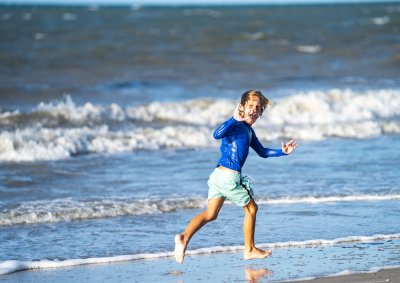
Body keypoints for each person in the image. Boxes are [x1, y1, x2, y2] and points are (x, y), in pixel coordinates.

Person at [174, 90, 298, 263]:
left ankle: (184, 237)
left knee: (211, 214)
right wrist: (234, 119)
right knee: (252, 209)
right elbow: (216, 134)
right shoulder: (235, 124)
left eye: (258, 107)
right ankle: (249, 249)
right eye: (251, 106)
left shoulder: (248, 131)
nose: (255, 110)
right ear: (241, 107)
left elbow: (262, 152)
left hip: (218, 176)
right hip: (228, 178)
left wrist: (282, 152)